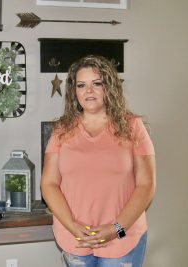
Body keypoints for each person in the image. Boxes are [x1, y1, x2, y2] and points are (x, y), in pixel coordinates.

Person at [41, 55, 156, 267]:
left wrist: (116, 229)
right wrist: (72, 226)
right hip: (75, 238)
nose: (89, 91)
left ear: (109, 87)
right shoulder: (61, 131)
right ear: (74, 92)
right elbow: (49, 184)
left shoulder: (133, 127)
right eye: (81, 85)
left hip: (124, 237)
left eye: (97, 83)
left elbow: (146, 185)